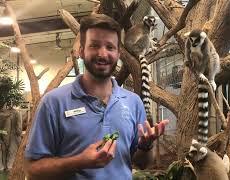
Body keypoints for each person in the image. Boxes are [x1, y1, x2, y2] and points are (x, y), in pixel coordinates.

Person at [24, 13, 169, 180]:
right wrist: (79, 162)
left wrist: (145, 147)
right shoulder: (53, 103)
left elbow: (142, 163)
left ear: (119, 53)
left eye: (110, 47)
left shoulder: (133, 102)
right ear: (80, 51)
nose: (102, 54)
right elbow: (32, 170)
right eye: (94, 46)